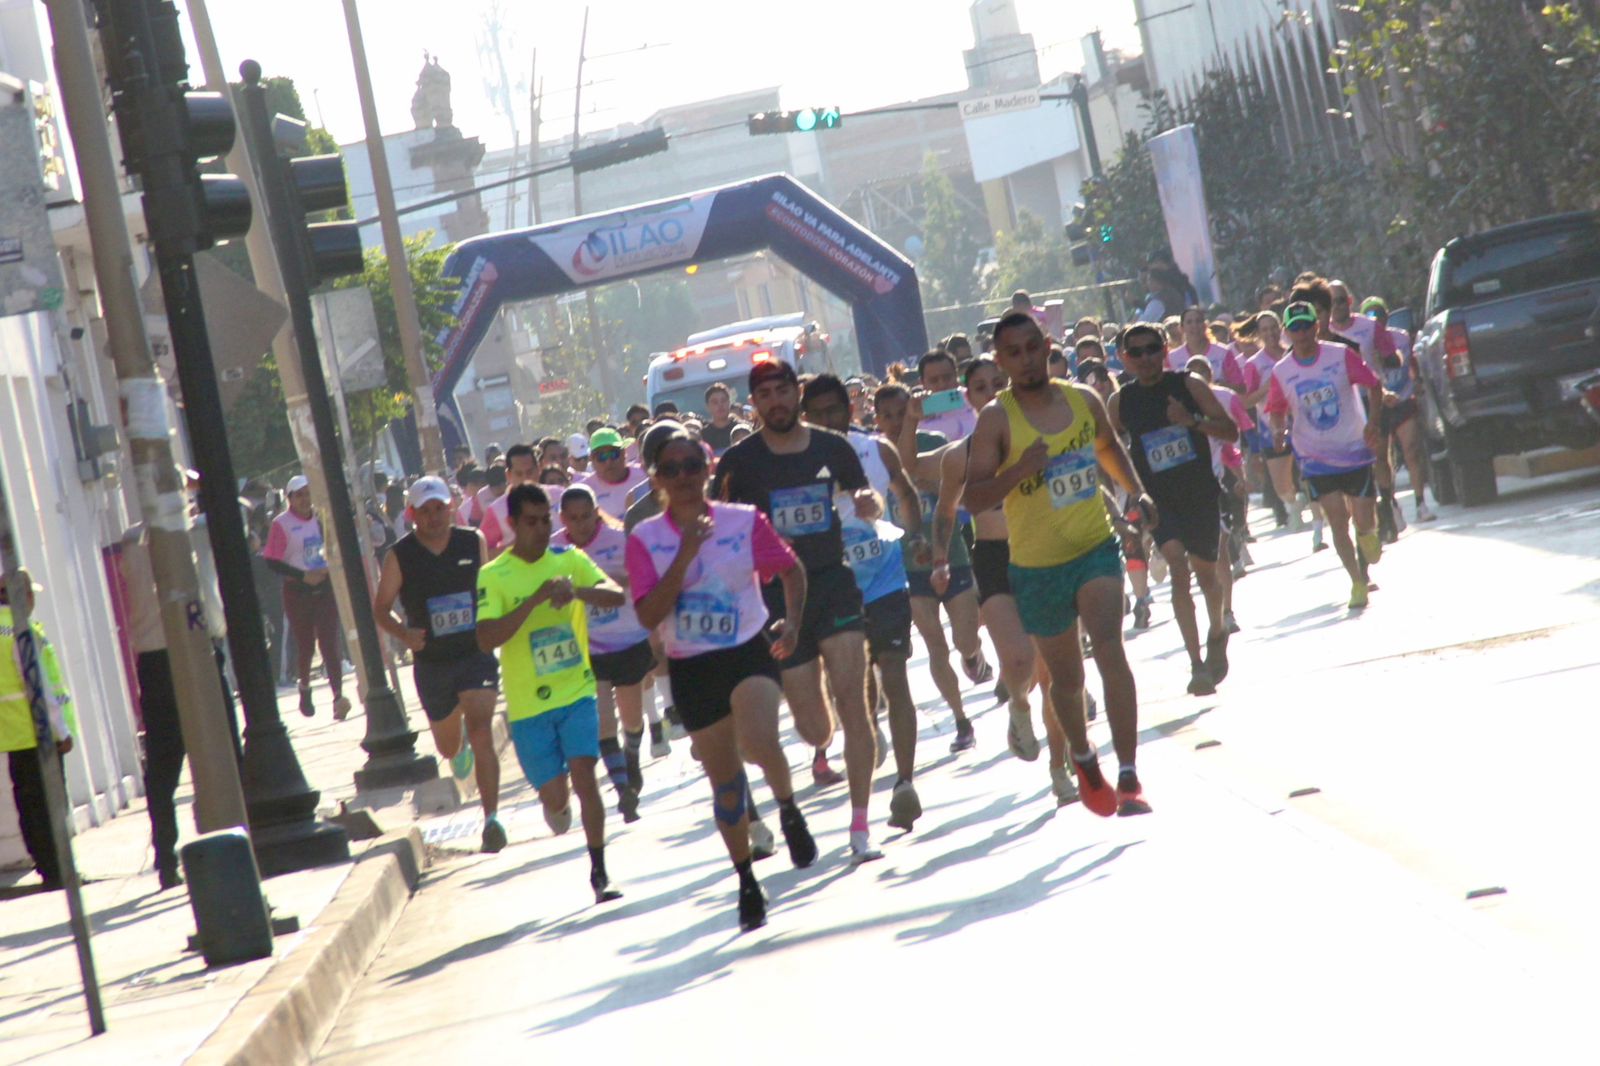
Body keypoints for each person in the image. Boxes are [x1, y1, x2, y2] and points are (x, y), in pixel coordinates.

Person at [963, 313, 1155, 817]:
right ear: (1001, 361)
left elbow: (1107, 448)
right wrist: (1022, 470)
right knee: (1066, 680)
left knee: (1111, 649)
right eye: (1015, 353)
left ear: (1047, 346)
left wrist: (1136, 492)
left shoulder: (1082, 399)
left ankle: (1130, 774)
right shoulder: (996, 420)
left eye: (1033, 348)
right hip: (1036, 566)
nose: (1027, 360)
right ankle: (1084, 756)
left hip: (1093, 546)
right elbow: (973, 495)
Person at [628, 430, 818, 930]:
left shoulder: (742, 520)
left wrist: (793, 623)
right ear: (657, 479)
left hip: (747, 649)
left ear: (708, 467)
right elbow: (648, 615)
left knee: (758, 739)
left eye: (693, 464)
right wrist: (686, 555)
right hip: (692, 666)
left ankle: (788, 807)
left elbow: (792, 571)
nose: (685, 476)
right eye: (672, 469)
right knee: (727, 785)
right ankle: (746, 881)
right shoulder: (646, 539)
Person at [713, 358, 884, 861]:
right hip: (777, 598)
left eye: (783, 391)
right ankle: (819, 735)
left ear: (797, 392)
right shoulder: (739, 462)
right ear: (754, 404)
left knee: (856, 700)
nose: (776, 402)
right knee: (815, 726)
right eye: (764, 395)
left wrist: (868, 501)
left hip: (833, 582)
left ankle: (859, 827)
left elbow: (860, 491)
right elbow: (717, 525)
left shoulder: (833, 446)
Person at [476, 483, 628, 903]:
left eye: (546, 521)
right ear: (511, 525)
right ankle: (555, 805)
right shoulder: (494, 575)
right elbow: (486, 636)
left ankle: (600, 872)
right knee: (558, 801)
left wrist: (574, 592)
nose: (541, 530)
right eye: (531, 522)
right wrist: (536, 600)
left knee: (586, 777)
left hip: (576, 690)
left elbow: (616, 595)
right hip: (528, 707)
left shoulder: (569, 560)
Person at [800, 374, 928, 831]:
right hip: (833, 587)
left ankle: (905, 784)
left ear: (849, 410)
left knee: (894, 673)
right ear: (805, 417)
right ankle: (869, 735)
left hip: (886, 579)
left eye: (835, 410)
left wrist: (914, 538)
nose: (827, 419)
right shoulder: (795, 463)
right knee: (852, 689)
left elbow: (907, 495)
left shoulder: (877, 449)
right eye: (816, 413)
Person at [373, 476, 505, 852]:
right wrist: (404, 635)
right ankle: (456, 743)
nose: (434, 518)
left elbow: (487, 588)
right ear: (412, 515)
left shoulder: (471, 541)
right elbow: (380, 609)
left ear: (452, 508)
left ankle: (491, 819)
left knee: (482, 729)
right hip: (432, 662)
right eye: (425, 511)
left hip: (473, 652)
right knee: (449, 747)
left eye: (440, 509)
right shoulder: (401, 554)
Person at [1107, 323, 1240, 696]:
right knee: (1177, 569)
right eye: (1136, 352)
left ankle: (1217, 629)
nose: (1146, 358)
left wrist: (1191, 421)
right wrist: (1127, 494)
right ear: (1124, 358)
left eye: (1152, 349)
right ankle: (1196, 663)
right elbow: (1107, 449)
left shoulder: (1189, 386)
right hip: (1158, 501)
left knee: (1207, 576)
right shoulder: (1121, 402)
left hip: (1198, 494)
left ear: (1165, 349)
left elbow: (1230, 431)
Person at [877, 384, 980, 753]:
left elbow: (951, 483)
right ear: (876, 419)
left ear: (915, 409)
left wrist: (927, 480)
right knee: (935, 645)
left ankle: (973, 655)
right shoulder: (875, 455)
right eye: (886, 415)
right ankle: (960, 719)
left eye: (901, 412)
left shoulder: (933, 440)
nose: (894, 421)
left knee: (964, 638)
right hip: (906, 563)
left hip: (950, 551)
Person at [1266, 301, 1388, 609]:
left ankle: (1369, 535)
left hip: (1353, 448)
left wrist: (1373, 423)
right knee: (1337, 520)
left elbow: (1373, 385)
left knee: (1363, 521)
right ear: (1286, 332)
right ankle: (1356, 582)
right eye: (1295, 328)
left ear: (1316, 326)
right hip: (1315, 457)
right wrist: (1278, 431)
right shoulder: (1282, 371)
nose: (1302, 332)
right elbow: (1276, 410)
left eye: (1306, 325)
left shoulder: (1340, 355)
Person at [554, 485, 654, 824]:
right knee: (603, 719)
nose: (581, 525)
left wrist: (606, 582)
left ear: (597, 513)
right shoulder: (554, 548)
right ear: (562, 518)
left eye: (587, 517)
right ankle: (624, 790)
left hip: (627, 638)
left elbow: (643, 577)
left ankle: (632, 755)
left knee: (631, 717)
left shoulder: (619, 539)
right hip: (585, 647)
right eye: (573, 519)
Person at [1, 572, 74, 890]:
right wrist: (61, 731)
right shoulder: (21, 631)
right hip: (40, 735)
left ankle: (46, 866)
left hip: (13, 736)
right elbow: (40, 688)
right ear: (23, 596)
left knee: (28, 807)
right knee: (51, 807)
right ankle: (58, 870)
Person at [263, 475, 349, 719]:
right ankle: (305, 687)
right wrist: (302, 576)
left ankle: (338, 696)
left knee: (330, 641)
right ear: (289, 498)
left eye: (308, 493)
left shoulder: (321, 518)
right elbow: (272, 560)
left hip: (325, 588)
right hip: (298, 592)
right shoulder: (282, 524)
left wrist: (329, 568)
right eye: (299, 495)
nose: (304, 499)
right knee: (306, 646)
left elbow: (333, 549)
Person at [1363, 297, 1437, 525]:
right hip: (1379, 407)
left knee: (1412, 450)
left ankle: (1420, 503)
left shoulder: (1401, 338)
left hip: (1403, 401)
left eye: (1380, 315)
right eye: (1370, 317)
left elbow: (1412, 366)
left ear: (1387, 316)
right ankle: (1390, 503)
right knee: (1382, 460)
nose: (1376, 321)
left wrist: (1417, 383)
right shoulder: (1363, 343)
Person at [578, 427, 648, 523]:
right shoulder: (584, 490)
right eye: (601, 457)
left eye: (614, 454)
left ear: (624, 453)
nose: (608, 462)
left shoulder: (644, 474)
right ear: (592, 460)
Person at [1167, 305, 1245, 389]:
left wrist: (1222, 386)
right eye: (1189, 322)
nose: (1194, 325)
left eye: (1198, 321)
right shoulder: (1172, 358)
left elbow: (1241, 388)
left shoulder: (1223, 352)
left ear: (1205, 325)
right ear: (1182, 328)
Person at [482, 444, 538, 555]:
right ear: (508, 475)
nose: (525, 478)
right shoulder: (497, 510)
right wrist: (515, 547)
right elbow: (482, 553)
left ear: (538, 469)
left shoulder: (559, 495)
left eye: (529, 472)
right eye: (519, 474)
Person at [916, 348, 980, 443]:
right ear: (922, 383)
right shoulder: (915, 413)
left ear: (956, 375)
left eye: (947, 377)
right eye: (934, 380)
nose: (942, 385)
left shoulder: (976, 399)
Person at [700, 382, 744, 457]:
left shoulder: (741, 429)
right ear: (707, 407)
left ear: (729, 403)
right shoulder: (703, 435)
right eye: (715, 402)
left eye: (723, 400)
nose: (720, 405)